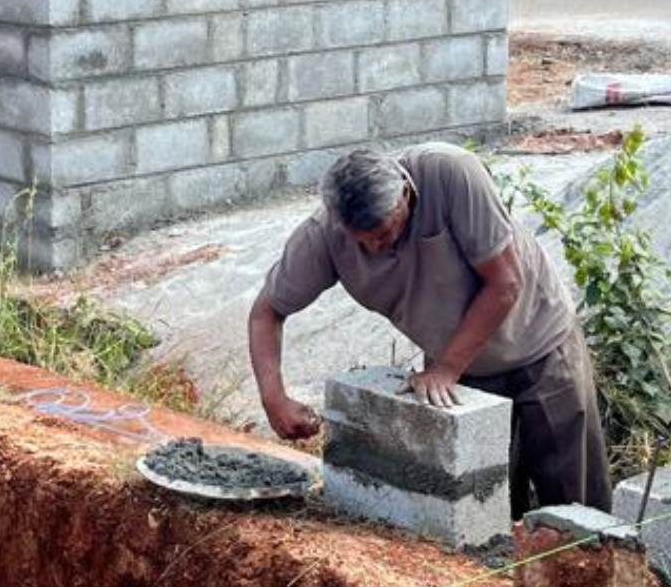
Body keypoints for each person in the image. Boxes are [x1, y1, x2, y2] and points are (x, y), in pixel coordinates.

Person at [248, 143, 610, 516]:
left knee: (576, 509)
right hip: (462, 370)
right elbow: (266, 313)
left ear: (406, 192)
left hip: (540, 346)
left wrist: (447, 368)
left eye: (385, 233)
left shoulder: (450, 173)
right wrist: (274, 398)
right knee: (484, 512)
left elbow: (506, 283)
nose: (374, 245)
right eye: (363, 239)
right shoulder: (322, 235)